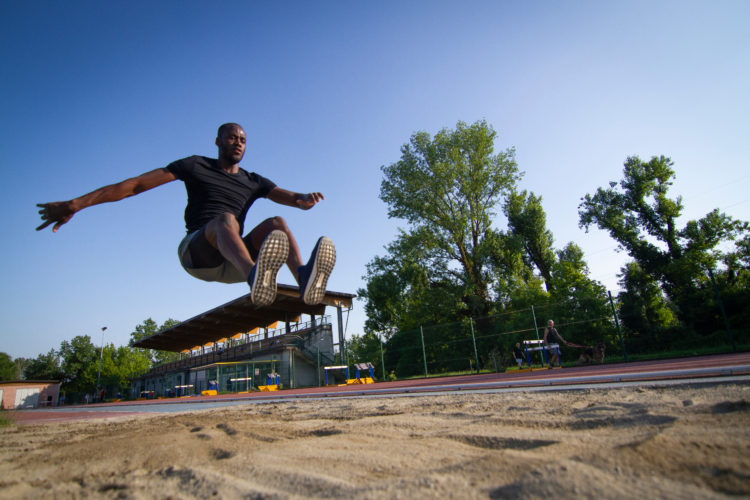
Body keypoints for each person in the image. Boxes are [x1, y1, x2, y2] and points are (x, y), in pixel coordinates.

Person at [36, 123, 335, 306]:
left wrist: (305, 199)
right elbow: (135, 185)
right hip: (197, 253)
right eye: (231, 137)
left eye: (242, 139)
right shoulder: (195, 165)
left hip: (233, 261)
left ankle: (304, 278)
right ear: (217, 141)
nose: (238, 142)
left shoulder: (253, 180)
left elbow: (293, 199)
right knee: (225, 220)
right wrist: (77, 203)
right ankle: (256, 276)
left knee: (278, 225)